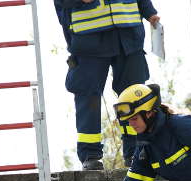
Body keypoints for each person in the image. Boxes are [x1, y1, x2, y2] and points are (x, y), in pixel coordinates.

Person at [53, 0, 160, 171]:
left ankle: (137, 151)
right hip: (88, 39)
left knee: (135, 97)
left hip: (128, 34)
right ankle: (90, 155)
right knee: (89, 98)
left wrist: (149, 11)